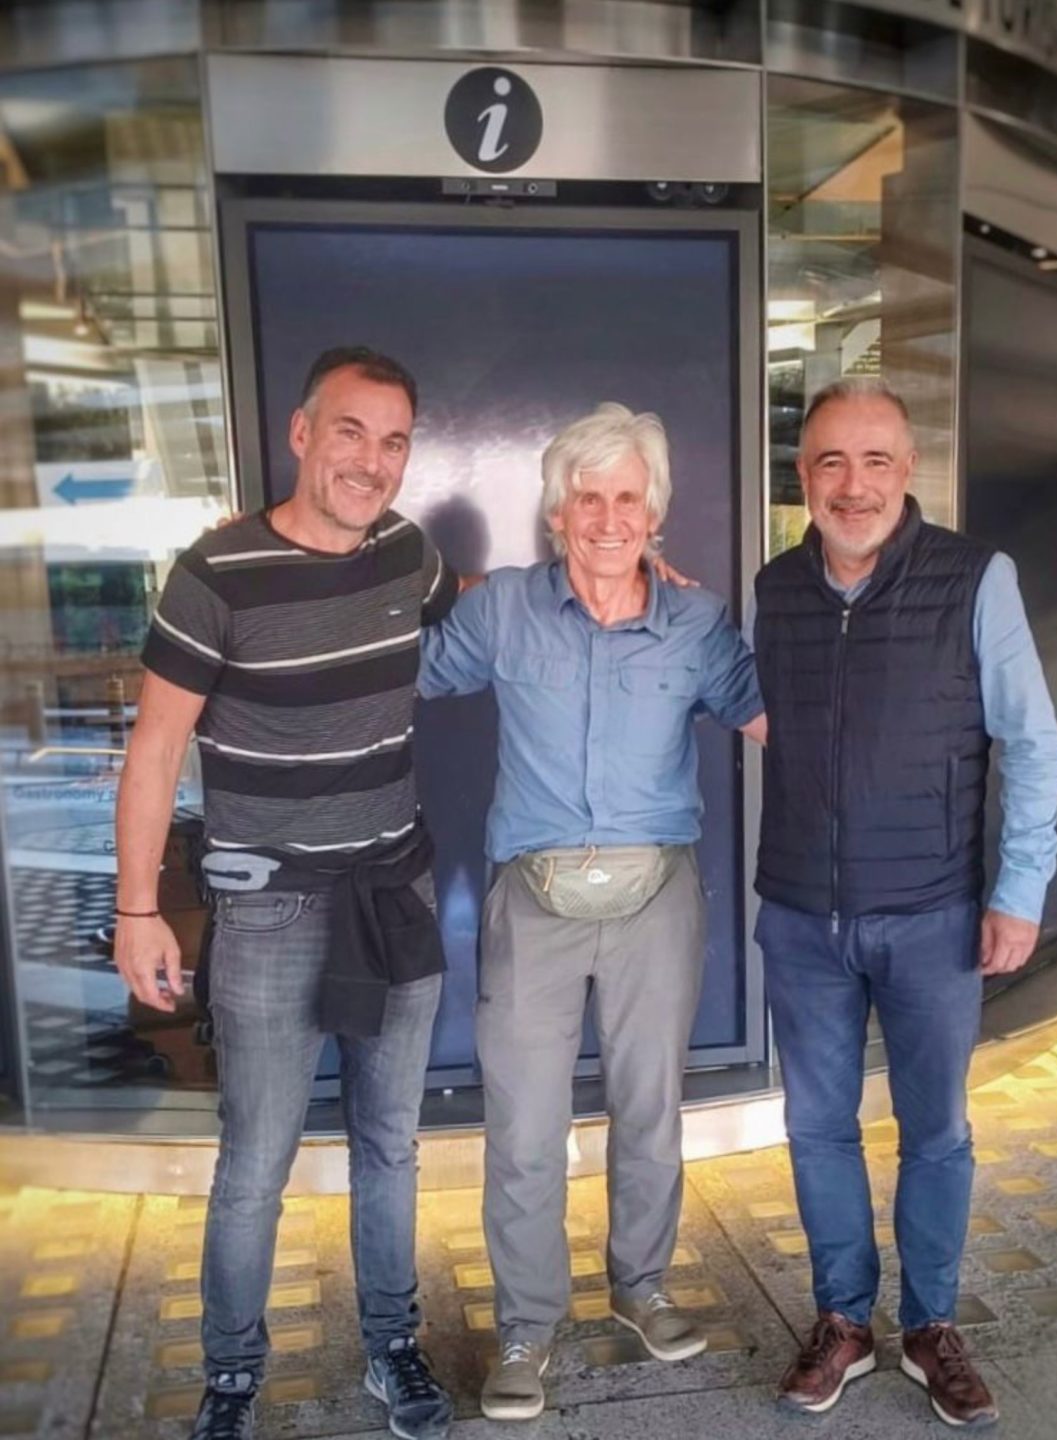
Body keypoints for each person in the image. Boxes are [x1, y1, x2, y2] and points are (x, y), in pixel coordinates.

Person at [113, 347, 457, 1440]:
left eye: (393, 440)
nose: (372, 461)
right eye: (350, 431)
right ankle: (231, 1376)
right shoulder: (214, 576)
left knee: (390, 1143)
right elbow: (156, 750)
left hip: (392, 894)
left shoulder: (408, 551)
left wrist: (624, 574)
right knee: (254, 1160)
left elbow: (478, 605)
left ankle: (393, 1348)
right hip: (267, 914)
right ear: (302, 433)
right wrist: (135, 911)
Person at [413, 404, 766, 1421]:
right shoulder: (505, 611)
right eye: (588, 497)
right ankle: (528, 1328)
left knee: (650, 1110)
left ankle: (640, 1285)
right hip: (536, 897)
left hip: (658, 895)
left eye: (628, 497)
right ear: (557, 511)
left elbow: (770, 714)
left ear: (654, 511)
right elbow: (410, 671)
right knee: (524, 1125)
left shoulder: (697, 624)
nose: (609, 517)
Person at [756, 379, 1057, 1429]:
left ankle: (930, 1326)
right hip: (800, 915)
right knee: (817, 1128)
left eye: (875, 460)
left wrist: (1018, 892)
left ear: (907, 470)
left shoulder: (975, 577)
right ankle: (842, 1320)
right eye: (830, 463)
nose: (854, 484)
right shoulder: (774, 588)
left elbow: (1032, 746)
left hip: (933, 912)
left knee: (935, 1131)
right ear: (803, 479)